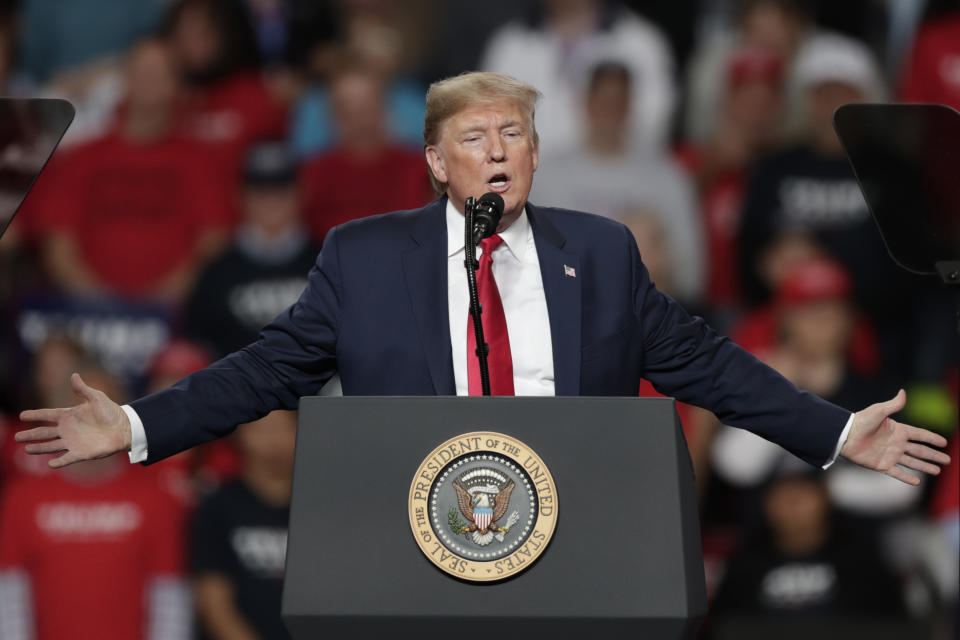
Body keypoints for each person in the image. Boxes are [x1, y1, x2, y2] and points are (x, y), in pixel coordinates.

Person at [15, 72, 949, 495]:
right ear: (434, 161)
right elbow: (263, 374)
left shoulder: (605, 252)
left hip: (577, 527)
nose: (498, 152)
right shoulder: (363, 256)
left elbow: (708, 366)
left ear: (538, 156)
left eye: (515, 136)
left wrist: (832, 430)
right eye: (475, 137)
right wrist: (137, 425)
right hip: (417, 538)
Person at [191, 410, 296, 640]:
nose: (273, 441)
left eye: (283, 428)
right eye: (261, 429)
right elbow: (213, 602)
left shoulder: (322, 508)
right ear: (239, 434)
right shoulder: (217, 507)